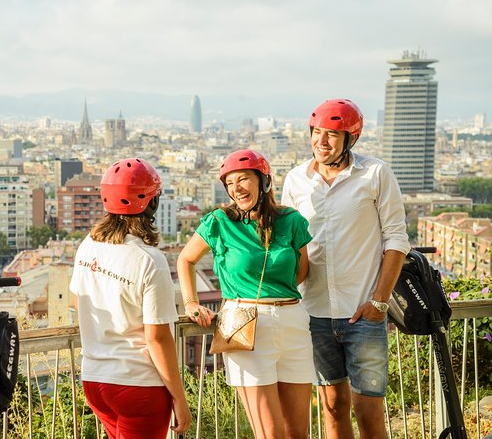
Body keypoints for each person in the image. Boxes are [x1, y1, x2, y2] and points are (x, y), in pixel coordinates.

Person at [281, 98, 411, 439]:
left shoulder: (375, 174)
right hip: (315, 314)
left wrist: (379, 301)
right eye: (317, 133)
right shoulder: (296, 180)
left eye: (332, 135)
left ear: (350, 139)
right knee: (333, 410)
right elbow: (287, 245)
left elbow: (396, 240)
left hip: (363, 314)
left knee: (369, 414)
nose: (321, 142)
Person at [178, 149, 314, 439]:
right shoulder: (220, 222)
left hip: (293, 321)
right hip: (244, 322)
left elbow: (302, 271)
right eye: (229, 183)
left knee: (298, 433)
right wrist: (191, 302)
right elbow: (185, 259)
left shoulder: (291, 220)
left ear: (263, 181)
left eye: (243, 179)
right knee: (270, 434)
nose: (236, 188)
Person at [69, 158, 191, 439]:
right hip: (137, 383)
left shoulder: (88, 245)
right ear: (152, 203)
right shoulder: (149, 259)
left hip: (95, 380)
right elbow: (157, 338)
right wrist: (180, 399)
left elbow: (78, 302)